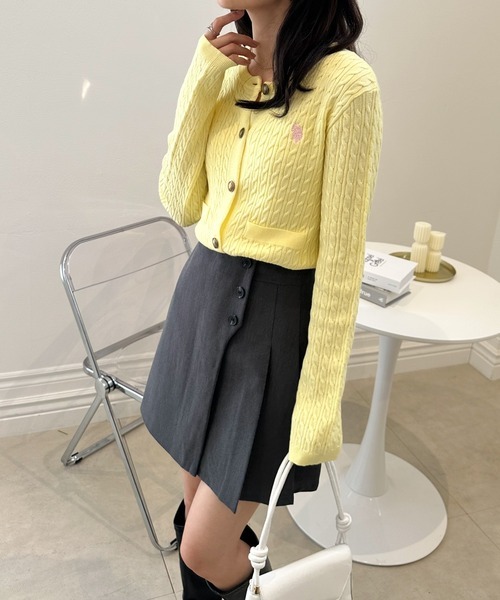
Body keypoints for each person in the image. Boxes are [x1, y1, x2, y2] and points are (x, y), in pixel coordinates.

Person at [141, 1, 382, 598]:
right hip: (203, 298)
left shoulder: (346, 87)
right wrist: (202, 78)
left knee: (204, 546)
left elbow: (342, 263)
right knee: (195, 508)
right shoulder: (226, 70)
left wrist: (320, 400)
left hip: (272, 327)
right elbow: (180, 201)